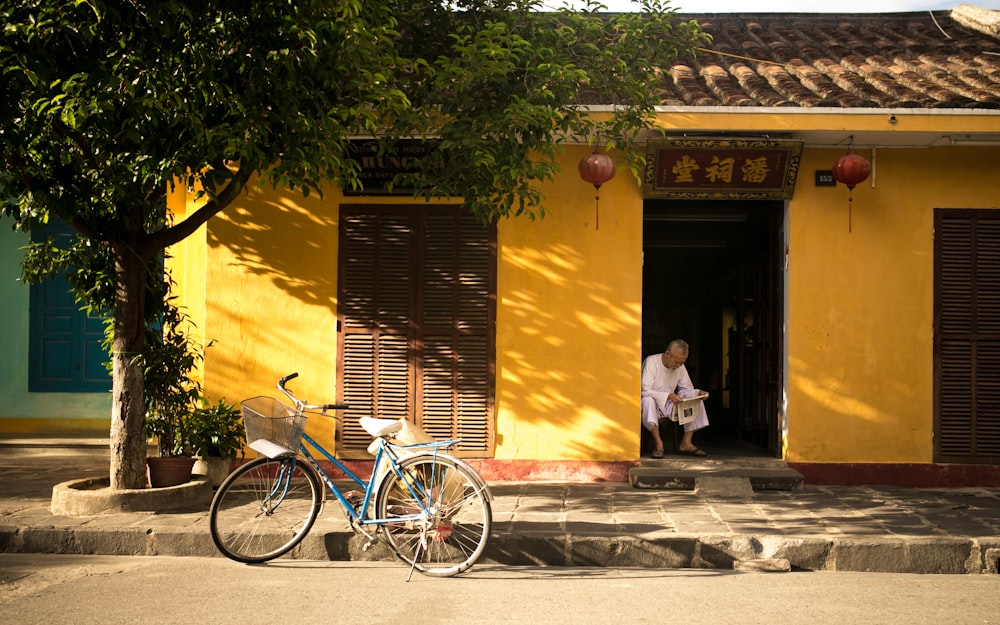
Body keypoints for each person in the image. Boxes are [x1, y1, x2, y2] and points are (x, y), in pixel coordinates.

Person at [640, 339, 709, 458]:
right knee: (647, 400)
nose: (679, 365)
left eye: (682, 362)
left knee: (696, 399)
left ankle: (686, 443)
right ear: (667, 354)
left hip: (669, 405)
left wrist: (698, 393)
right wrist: (668, 396)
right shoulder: (651, 361)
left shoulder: (680, 366)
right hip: (653, 404)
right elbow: (645, 390)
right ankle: (659, 444)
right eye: (677, 362)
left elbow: (685, 389)